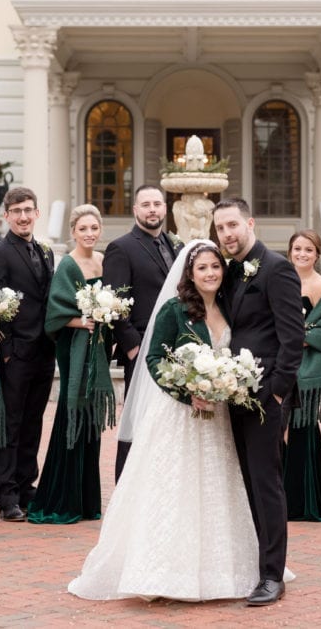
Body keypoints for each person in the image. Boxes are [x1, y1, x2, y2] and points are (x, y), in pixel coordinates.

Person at [68, 241, 260, 601]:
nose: (210, 274)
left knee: (215, 487)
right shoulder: (174, 309)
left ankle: (220, 571)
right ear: (190, 273)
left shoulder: (228, 307)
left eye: (215, 267)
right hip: (179, 416)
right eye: (202, 268)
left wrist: (226, 385)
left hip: (216, 417)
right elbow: (154, 359)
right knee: (175, 487)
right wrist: (189, 392)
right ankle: (163, 573)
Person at [213, 198, 304, 606]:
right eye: (220, 228)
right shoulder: (227, 273)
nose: (227, 234)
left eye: (233, 225)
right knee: (246, 482)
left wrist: (279, 392)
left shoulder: (277, 268)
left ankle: (272, 575)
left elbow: (292, 338)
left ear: (250, 223)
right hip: (231, 394)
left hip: (265, 397)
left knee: (267, 484)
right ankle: (256, 562)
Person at [28, 205, 112, 525]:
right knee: (72, 410)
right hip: (74, 346)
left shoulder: (104, 260)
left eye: (94, 228)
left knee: (91, 417)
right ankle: (61, 498)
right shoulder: (67, 264)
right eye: (83, 229)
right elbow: (55, 314)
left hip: (99, 347)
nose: (89, 233)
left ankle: (87, 500)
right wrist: (82, 321)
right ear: (73, 232)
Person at [0, 187, 56, 522]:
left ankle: (27, 486)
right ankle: (6, 493)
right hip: (16, 354)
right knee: (10, 425)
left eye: (29, 210)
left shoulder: (42, 251)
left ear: (36, 213)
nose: (24, 217)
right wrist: (7, 349)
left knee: (33, 423)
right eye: (17, 211)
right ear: (6, 215)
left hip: (43, 352)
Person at [104, 185, 178, 480]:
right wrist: (134, 346)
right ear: (135, 210)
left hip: (173, 347)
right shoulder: (121, 247)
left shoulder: (174, 245)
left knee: (164, 419)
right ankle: (127, 483)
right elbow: (114, 301)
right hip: (142, 349)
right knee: (138, 419)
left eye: (157, 204)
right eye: (145, 204)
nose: (152, 209)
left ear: (165, 208)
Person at [283, 230, 321, 521]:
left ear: (317, 255)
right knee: (280, 433)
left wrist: (298, 337)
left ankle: (307, 501)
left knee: (302, 430)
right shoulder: (283, 279)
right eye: (297, 249)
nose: (302, 254)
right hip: (282, 364)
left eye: (308, 250)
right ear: (290, 251)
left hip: (307, 368)